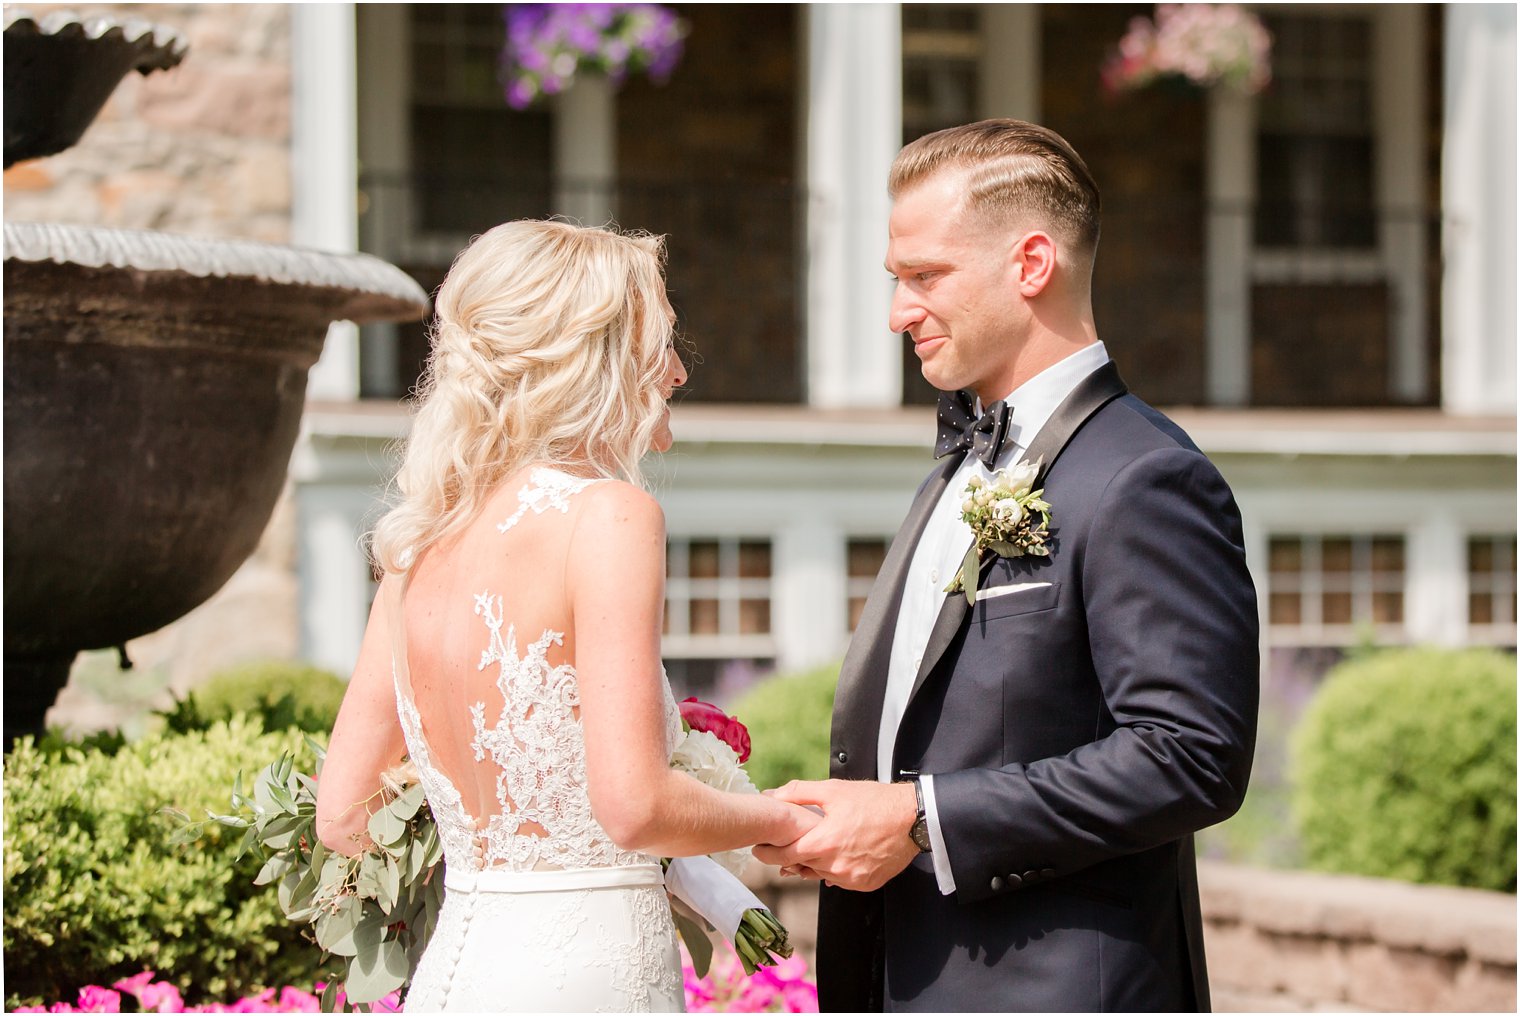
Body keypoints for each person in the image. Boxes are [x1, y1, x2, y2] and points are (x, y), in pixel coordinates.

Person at [754, 120, 1260, 1011]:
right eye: (896, 279)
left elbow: (1191, 757)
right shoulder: (959, 462)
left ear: (1031, 266)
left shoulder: (1145, 476)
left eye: (925, 277)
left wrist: (921, 820)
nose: (897, 312)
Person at [315, 220, 819, 1012]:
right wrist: (783, 818)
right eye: (660, 344)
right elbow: (636, 806)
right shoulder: (610, 516)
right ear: (593, 356)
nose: (679, 371)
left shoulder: (419, 546)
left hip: (458, 974)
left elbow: (345, 815)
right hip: (587, 974)